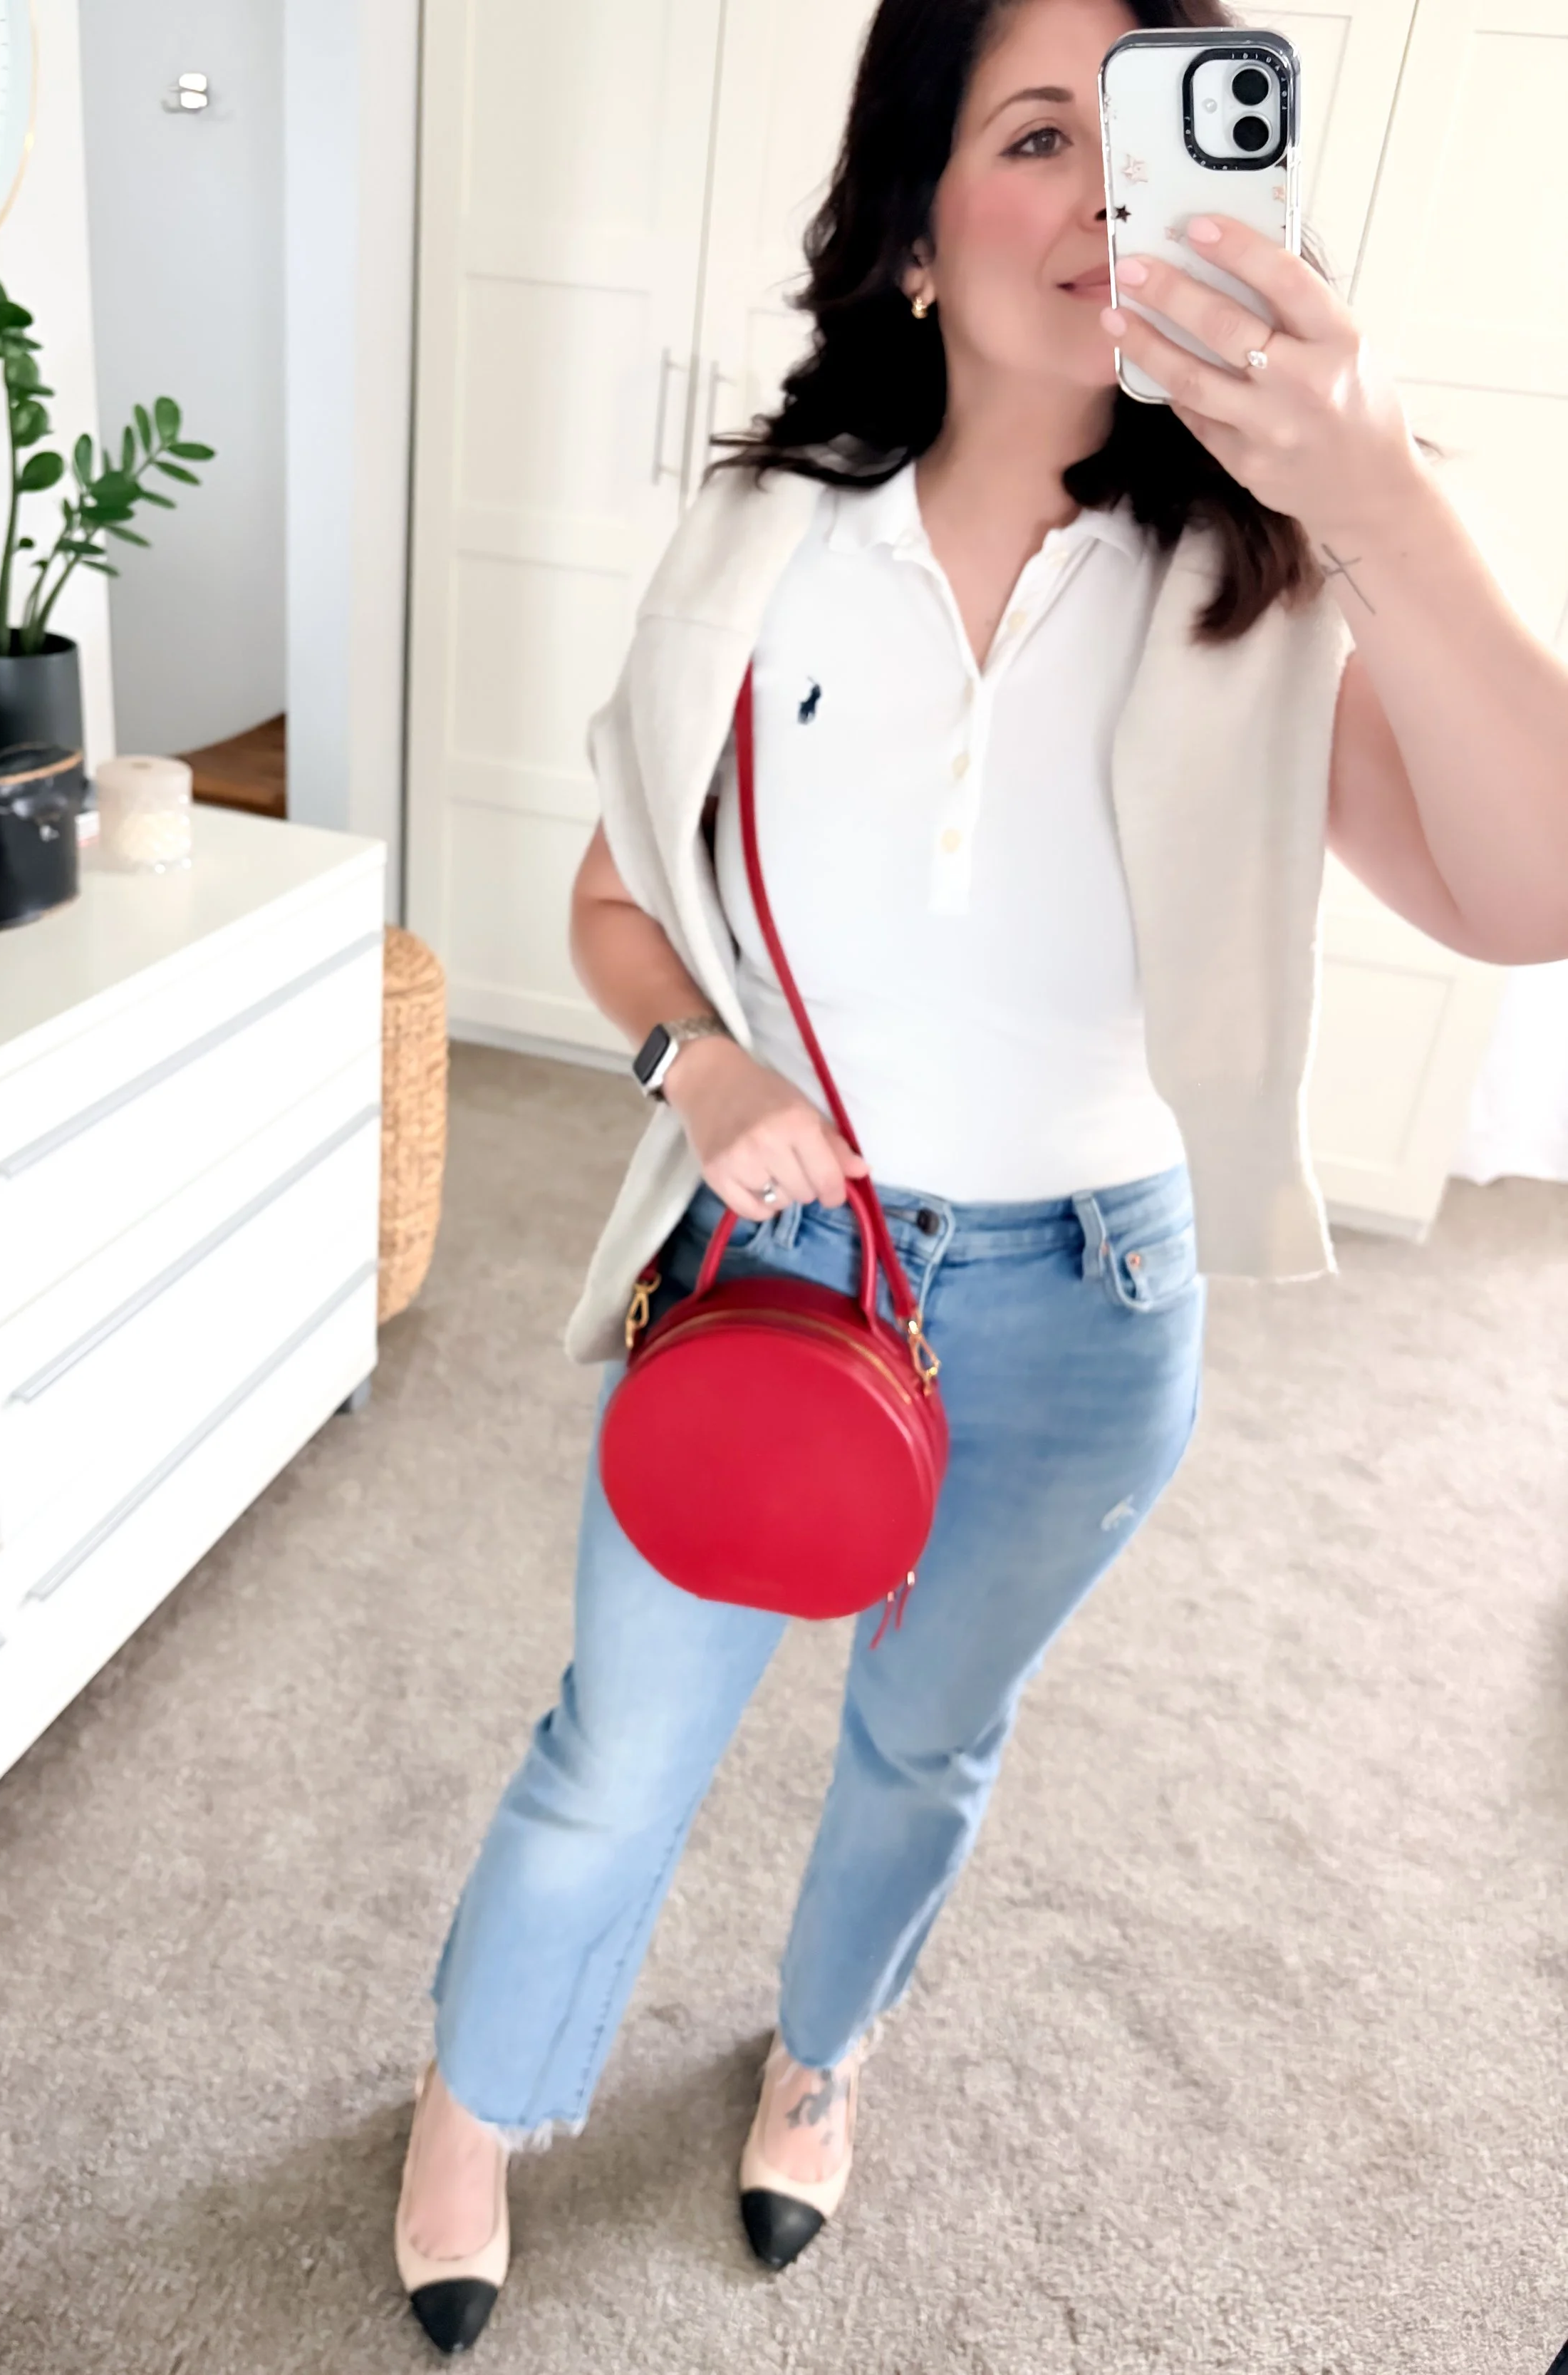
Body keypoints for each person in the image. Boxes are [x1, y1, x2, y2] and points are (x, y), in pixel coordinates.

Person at [391, 0, 1568, 2349]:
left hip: (1089, 1310)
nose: (1104, 195)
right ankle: (477, 2096)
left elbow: (1526, 894)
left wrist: (1374, 496)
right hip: (770, 1259)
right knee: (618, 1743)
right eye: (1039, 134)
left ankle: (818, 2056)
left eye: (1141, 140)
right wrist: (698, 1064)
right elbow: (615, 901)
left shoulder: (1265, 588)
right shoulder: (761, 545)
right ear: (914, 234)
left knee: (925, 1741)